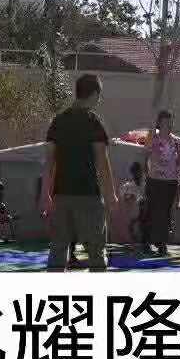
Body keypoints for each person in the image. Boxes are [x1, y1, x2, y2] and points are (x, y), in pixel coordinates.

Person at [42, 73, 115, 271]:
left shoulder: (58, 122)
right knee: (96, 251)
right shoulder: (94, 123)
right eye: (99, 96)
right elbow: (102, 162)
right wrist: (111, 195)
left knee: (58, 249)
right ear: (94, 94)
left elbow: (49, 162)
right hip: (88, 195)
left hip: (61, 195)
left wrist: (45, 194)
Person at [141, 109, 180, 257]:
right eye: (165, 121)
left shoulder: (177, 140)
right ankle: (146, 242)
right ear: (159, 122)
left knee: (165, 213)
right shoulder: (152, 138)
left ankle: (162, 243)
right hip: (154, 179)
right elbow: (145, 155)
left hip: (170, 181)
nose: (168, 124)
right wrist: (145, 173)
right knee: (150, 211)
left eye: (170, 121)